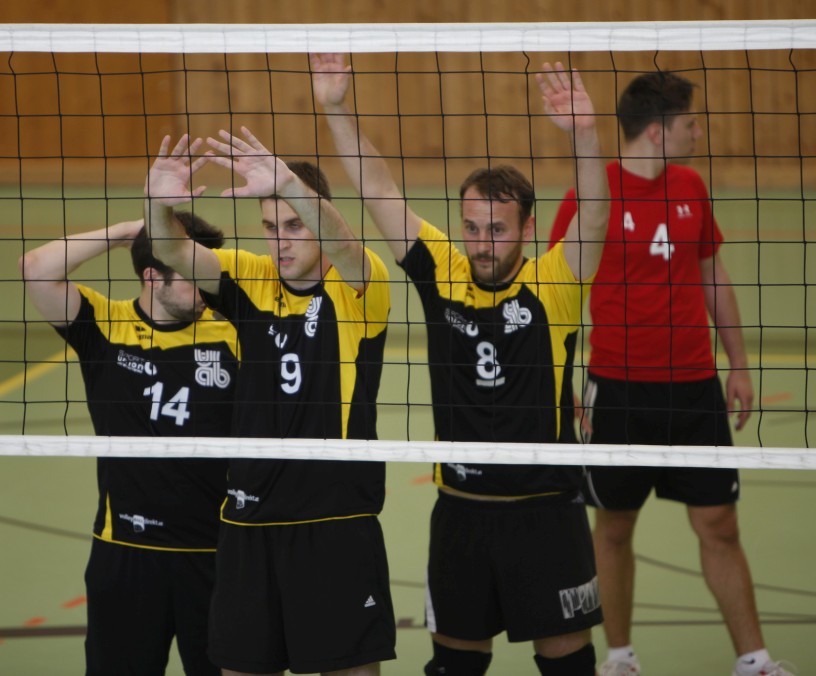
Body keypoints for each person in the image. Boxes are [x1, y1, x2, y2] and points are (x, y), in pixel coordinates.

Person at [311, 53, 609, 676]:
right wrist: (335, 108)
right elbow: (378, 190)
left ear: (528, 228)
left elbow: (596, 216)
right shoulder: (443, 271)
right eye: (471, 228)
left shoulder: (555, 284)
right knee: (455, 665)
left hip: (545, 511)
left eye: (496, 229)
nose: (481, 243)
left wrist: (585, 134)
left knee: (568, 665)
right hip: (461, 512)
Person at [549, 71, 792, 676]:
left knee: (719, 524)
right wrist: (562, 381)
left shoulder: (691, 187)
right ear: (658, 131)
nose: (698, 132)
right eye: (691, 123)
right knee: (614, 527)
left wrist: (739, 365)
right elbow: (556, 293)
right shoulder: (592, 194)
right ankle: (620, 658)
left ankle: (755, 660)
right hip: (618, 389)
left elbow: (713, 275)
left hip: (694, 387)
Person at [145, 130, 395, 676]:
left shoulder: (358, 286)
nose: (280, 242)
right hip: (249, 519)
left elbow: (344, 246)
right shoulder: (252, 277)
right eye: (270, 227)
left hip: (335, 520)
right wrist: (157, 204)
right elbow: (170, 251)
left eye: (294, 225)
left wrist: (289, 184)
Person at [19, 214, 238, 675]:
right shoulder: (105, 325)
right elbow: (36, 268)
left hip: (218, 556)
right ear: (152, 276)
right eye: (192, 275)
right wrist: (128, 230)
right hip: (126, 554)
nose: (207, 287)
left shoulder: (234, 334)